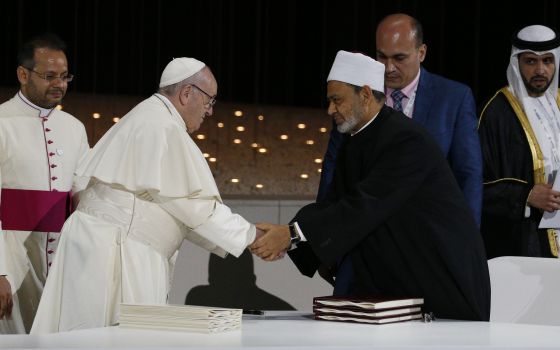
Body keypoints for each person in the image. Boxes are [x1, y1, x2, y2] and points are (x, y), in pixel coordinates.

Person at [251, 50, 491, 321]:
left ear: (365, 95)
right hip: (398, 276)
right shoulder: (357, 138)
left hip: (440, 278)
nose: (330, 110)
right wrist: (292, 237)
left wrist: (293, 234)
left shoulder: (406, 141)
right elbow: (335, 202)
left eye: (336, 100)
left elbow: (365, 204)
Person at [30, 57, 260, 333]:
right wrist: (252, 236)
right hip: (118, 255)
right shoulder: (163, 127)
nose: (209, 112)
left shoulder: (148, 116)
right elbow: (196, 208)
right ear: (187, 93)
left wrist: (246, 236)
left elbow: (176, 210)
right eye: (210, 101)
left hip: (100, 245)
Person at [318, 13, 483, 226]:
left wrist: (468, 239)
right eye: (382, 57)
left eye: (399, 58)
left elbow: (469, 174)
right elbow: (333, 165)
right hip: (368, 231)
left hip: (429, 233)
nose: (388, 68)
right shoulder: (357, 97)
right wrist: (320, 232)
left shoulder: (454, 99)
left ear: (421, 52)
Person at [0, 33, 89, 334]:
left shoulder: (74, 129)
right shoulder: (2, 122)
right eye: (49, 76)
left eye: (65, 77)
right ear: (23, 75)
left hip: (63, 266)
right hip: (12, 262)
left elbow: (84, 195)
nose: (59, 84)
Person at [478, 25, 560, 258]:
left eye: (547, 61)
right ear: (517, 62)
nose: (540, 70)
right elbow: (474, 185)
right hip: (522, 243)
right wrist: (525, 196)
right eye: (531, 61)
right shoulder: (495, 113)